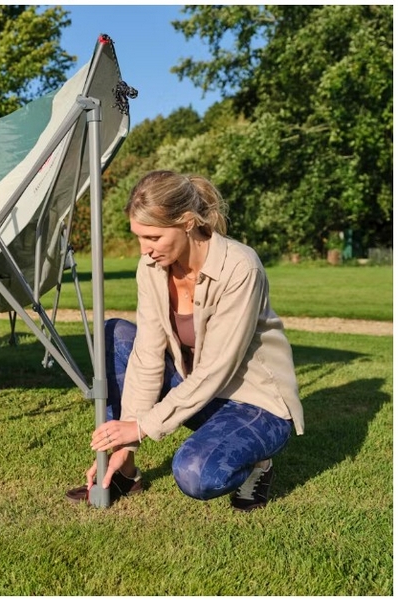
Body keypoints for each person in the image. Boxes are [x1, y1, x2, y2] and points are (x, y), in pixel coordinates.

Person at [66, 170, 304, 512]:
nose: (145, 250)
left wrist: (143, 427)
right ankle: (125, 475)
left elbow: (216, 370)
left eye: (153, 237)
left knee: (195, 474)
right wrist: (126, 446)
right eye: (139, 237)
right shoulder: (151, 268)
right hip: (201, 393)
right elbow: (147, 355)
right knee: (114, 335)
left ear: (188, 223)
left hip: (256, 406)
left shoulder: (240, 267)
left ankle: (259, 464)